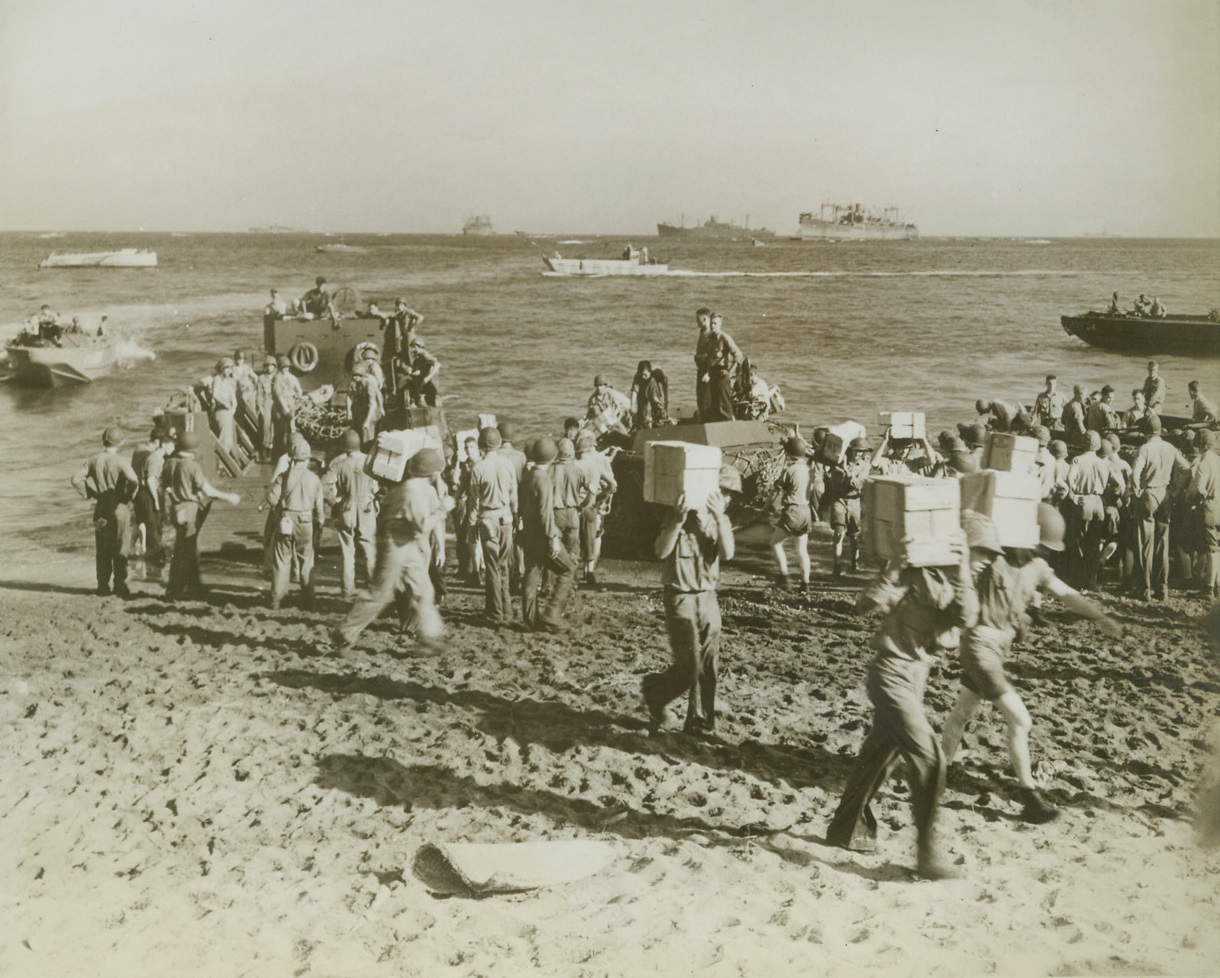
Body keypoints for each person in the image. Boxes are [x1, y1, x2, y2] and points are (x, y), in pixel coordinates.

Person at [941, 506, 1123, 824]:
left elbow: (1066, 594)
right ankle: (1029, 796)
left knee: (962, 713)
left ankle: (937, 775)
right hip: (979, 646)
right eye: (1040, 544)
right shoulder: (992, 557)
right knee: (1021, 721)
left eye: (1045, 548)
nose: (1041, 551)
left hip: (996, 650)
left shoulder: (1037, 567)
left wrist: (1099, 616)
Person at [826, 529, 978, 880]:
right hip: (890, 673)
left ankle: (845, 829)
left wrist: (966, 569)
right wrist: (893, 569)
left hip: (915, 678)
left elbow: (965, 617)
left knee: (879, 755)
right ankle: (926, 855)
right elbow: (864, 606)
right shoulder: (911, 571)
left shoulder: (956, 577)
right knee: (930, 756)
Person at [642, 465, 740, 737]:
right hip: (680, 595)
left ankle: (701, 721)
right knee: (689, 667)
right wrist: (676, 519)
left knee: (709, 663)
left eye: (730, 494)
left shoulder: (721, 520)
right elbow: (661, 551)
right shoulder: (678, 514)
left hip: (707, 595)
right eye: (722, 491)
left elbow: (729, 552)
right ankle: (655, 693)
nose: (726, 498)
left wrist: (720, 519)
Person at [331, 447, 446, 652]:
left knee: (424, 589)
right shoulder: (414, 491)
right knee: (380, 595)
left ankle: (429, 637)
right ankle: (345, 632)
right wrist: (443, 509)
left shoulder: (407, 487)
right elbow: (423, 526)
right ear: (432, 473)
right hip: (396, 545)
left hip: (403, 543)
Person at [161, 430, 241, 601]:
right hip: (189, 510)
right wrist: (229, 497)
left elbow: (165, 486)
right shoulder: (192, 466)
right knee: (186, 551)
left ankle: (188, 587)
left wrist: (178, 495)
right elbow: (208, 490)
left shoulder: (169, 463)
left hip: (176, 509)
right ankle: (178, 591)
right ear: (193, 448)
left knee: (182, 548)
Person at [71, 427, 139, 598]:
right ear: (120, 443)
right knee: (121, 545)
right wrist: (129, 495)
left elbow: (75, 479)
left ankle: (102, 585)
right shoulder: (121, 461)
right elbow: (133, 480)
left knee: (102, 548)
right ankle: (119, 584)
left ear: (104, 441)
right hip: (119, 508)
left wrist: (90, 494)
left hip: (101, 508)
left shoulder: (93, 460)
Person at [1131, 414, 1189, 600]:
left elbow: (1135, 473)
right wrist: (1175, 490)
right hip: (1165, 495)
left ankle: (1144, 589)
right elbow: (1187, 468)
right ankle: (1162, 588)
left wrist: (1136, 488)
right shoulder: (1169, 447)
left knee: (1144, 543)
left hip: (1148, 495)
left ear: (1146, 432)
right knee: (1163, 543)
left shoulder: (1145, 448)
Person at [266, 434, 325, 610]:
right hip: (306, 521)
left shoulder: (283, 477)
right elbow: (320, 507)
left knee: (282, 559)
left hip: (285, 520)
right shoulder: (314, 479)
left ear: (291, 458)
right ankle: (308, 601)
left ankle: (278, 600)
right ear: (307, 459)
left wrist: (282, 505)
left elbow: (271, 499)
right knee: (306, 560)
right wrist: (320, 523)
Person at [470, 427, 518, 627]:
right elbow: (514, 496)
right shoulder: (508, 465)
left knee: (491, 568)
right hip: (506, 518)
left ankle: (494, 613)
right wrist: (516, 516)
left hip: (487, 520)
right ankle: (507, 610)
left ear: (482, 445)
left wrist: (471, 525)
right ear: (499, 443)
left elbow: (473, 502)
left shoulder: (478, 468)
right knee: (504, 565)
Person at [323, 429, 377, 601]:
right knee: (370, 549)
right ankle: (373, 589)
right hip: (366, 508)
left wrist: (335, 502)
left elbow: (324, 485)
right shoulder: (370, 462)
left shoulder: (339, 464)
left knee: (347, 551)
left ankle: (347, 590)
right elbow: (376, 488)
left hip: (347, 508)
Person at [519, 437, 563, 631]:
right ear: (553, 458)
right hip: (541, 533)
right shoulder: (544, 479)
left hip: (527, 531)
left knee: (531, 572)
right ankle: (551, 614)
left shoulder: (528, 475)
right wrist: (552, 538)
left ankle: (530, 619)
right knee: (567, 569)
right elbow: (546, 513)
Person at [1064, 432, 1112, 590]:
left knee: (1078, 541)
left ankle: (1078, 579)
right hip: (1098, 502)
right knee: (1094, 543)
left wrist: (1074, 494)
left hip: (1083, 501)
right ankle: (1091, 580)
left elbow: (1070, 479)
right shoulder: (1103, 463)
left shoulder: (1077, 460)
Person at [546, 436, 586, 628]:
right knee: (573, 554)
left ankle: (551, 586)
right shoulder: (578, 469)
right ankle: (571, 587)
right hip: (573, 513)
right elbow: (593, 491)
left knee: (554, 553)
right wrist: (582, 506)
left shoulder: (550, 470)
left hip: (555, 513)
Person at [574, 429, 618, 585]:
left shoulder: (572, 462)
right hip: (594, 505)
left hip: (574, 507)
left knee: (575, 540)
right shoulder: (600, 460)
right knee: (595, 536)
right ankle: (589, 570)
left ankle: (574, 574)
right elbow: (612, 485)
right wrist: (602, 498)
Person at [769, 435, 812, 591]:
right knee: (802, 550)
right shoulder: (809, 469)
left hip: (792, 510)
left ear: (789, 454)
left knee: (775, 543)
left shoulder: (789, 470)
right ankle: (805, 584)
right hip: (806, 511)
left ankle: (784, 578)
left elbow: (775, 492)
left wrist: (767, 507)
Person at [824, 437, 872, 575]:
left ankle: (854, 563)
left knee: (854, 536)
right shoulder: (839, 461)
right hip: (838, 499)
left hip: (854, 501)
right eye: (855, 451)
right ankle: (837, 566)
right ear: (851, 450)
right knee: (838, 532)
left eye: (860, 452)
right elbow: (827, 468)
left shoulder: (864, 466)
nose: (857, 454)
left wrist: (846, 471)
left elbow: (858, 485)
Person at [1187, 430, 1220, 598]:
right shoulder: (1218, 460)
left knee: (1210, 549)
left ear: (1200, 445)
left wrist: (1190, 499)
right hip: (1219, 505)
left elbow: (1199, 489)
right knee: (1216, 547)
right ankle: (1216, 583)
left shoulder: (1203, 464)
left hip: (1208, 506)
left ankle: (1208, 588)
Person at [130, 427, 168, 571]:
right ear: (158, 441)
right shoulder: (152, 455)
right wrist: (157, 500)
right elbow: (150, 478)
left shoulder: (138, 449)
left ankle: (134, 549)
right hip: (148, 491)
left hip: (136, 491)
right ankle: (152, 561)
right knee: (153, 524)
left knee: (140, 522)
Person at [704, 313, 743, 423]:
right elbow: (710, 358)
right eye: (711, 323)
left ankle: (730, 423)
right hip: (713, 373)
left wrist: (729, 372)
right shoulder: (711, 339)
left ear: (720, 324)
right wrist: (707, 372)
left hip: (723, 373)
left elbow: (739, 355)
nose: (712, 326)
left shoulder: (725, 338)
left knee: (724, 402)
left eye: (715, 323)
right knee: (714, 402)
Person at [270, 354, 303, 459]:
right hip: (281, 407)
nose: (286, 369)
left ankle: (287, 454)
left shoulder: (288, 378)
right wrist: (286, 409)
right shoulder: (278, 378)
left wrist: (294, 398)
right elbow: (278, 395)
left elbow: (299, 391)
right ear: (280, 367)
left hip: (288, 405)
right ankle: (280, 455)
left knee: (290, 430)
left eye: (287, 367)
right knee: (281, 431)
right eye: (284, 367)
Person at [347, 362, 383, 445]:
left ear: (362, 376)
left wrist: (367, 420)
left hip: (371, 409)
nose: (354, 377)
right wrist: (349, 411)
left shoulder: (368, 384)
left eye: (357, 375)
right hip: (361, 407)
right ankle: (357, 445)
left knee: (366, 428)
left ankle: (367, 447)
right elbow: (349, 396)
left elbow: (373, 404)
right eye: (353, 375)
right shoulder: (353, 382)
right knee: (356, 425)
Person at [209, 357, 239, 454]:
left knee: (230, 439)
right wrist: (225, 403)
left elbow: (233, 397)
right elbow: (215, 395)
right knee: (225, 440)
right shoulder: (217, 379)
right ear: (222, 368)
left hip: (229, 412)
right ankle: (220, 461)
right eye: (226, 368)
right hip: (221, 410)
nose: (229, 370)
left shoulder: (229, 381)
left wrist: (233, 407)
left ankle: (225, 459)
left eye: (230, 368)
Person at [402, 337, 441, 407]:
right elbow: (421, 369)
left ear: (419, 347)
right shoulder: (418, 358)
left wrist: (428, 378)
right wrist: (412, 373)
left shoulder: (424, 355)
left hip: (430, 385)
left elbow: (437, 365)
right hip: (424, 384)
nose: (413, 350)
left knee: (428, 403)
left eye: (414, 347)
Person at [692, 306, 714, 419]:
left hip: (707, 368)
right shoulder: (703, 332)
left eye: (698, 319)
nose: (697, 322)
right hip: (701, 367)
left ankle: (707, 421)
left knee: (706, 399)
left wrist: (708, 372)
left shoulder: (710, 333)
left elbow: (713, 355)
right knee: (700, 397)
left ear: (705, 319)